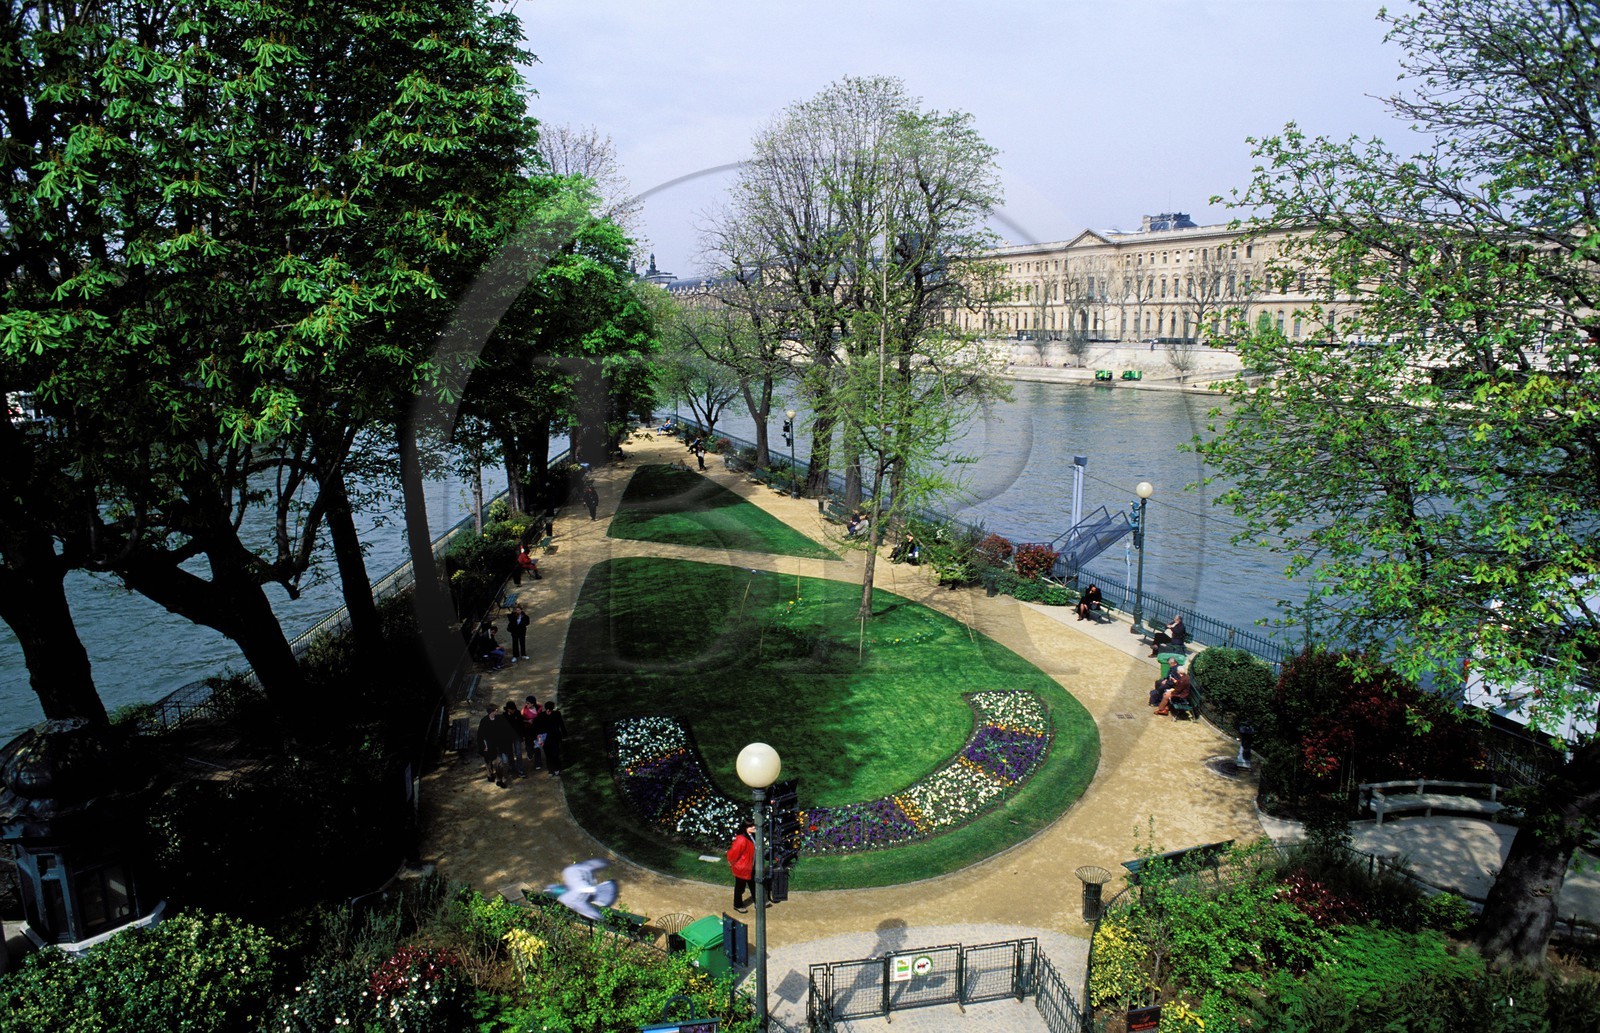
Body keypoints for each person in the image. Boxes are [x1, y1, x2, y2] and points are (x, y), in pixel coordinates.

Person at [478, 704, 517, 787]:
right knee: (488, 762)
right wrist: (484, 746)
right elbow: (481, 735)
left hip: (498, 746)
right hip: (488, 746)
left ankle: (500, 780)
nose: (497, 710)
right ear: (492, 711)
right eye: (496, 709)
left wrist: (513, 737)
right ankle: (490, 775)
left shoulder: (500, 718)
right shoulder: (484, 721)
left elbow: (507, 729)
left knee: (498, 763)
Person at [727, 821, 757, 913]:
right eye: (751, 826)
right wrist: (731, 862)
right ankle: (737, 905)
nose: (754, 827)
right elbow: (733, 853)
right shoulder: (742, 839)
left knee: (754, 885)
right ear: (745, 828)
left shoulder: (751, 836)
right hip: (742, 868)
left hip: (750, 867)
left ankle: (758, 902)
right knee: (740, 888)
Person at [502, 700, 527, 777]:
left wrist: (523, 735)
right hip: (508, 738)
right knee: (510, 753)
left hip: (517, 736)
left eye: (514, 709)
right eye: (512, 709)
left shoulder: (517, 713)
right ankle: (512, 766)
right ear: (508, 709)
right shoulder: (504, 716)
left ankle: (520, 770)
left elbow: (521, 725)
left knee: (518, 753)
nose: (513, 710)